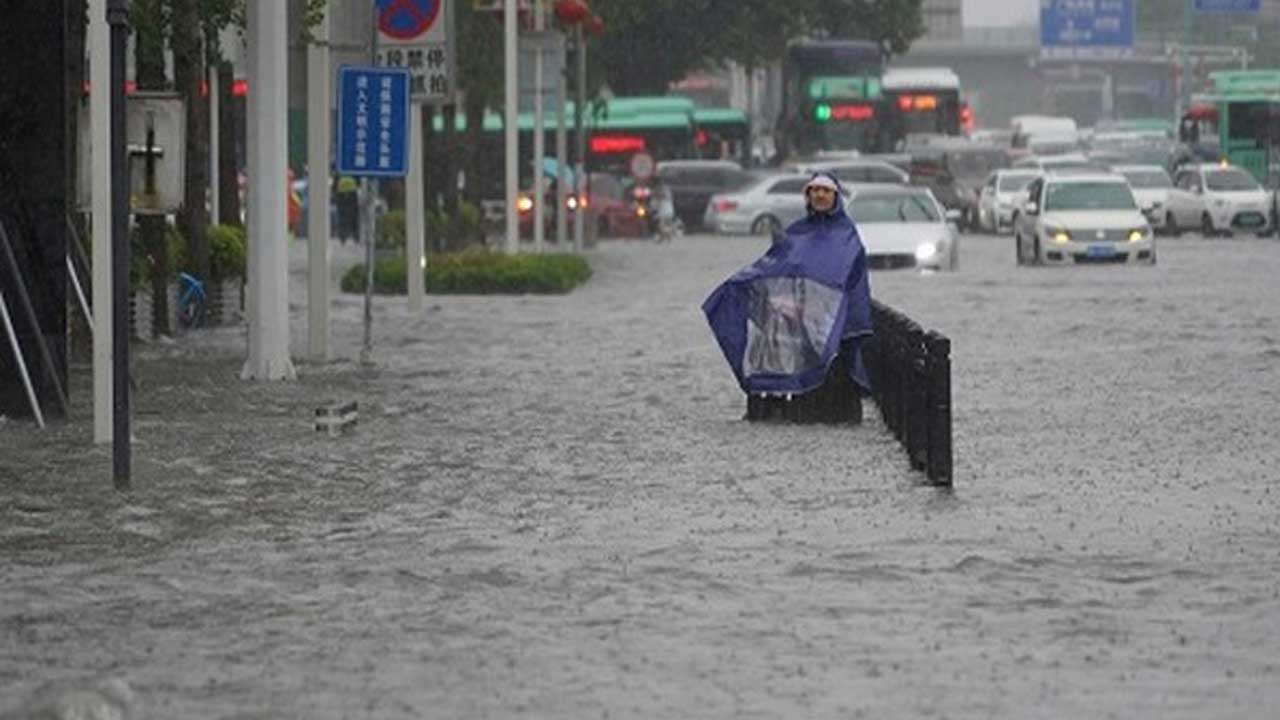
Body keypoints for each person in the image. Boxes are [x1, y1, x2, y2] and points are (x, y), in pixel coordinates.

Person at [702, 171, 873, 423]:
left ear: (835, 196)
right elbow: (774, 267)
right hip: (794, 323)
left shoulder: (847, 235)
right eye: (814, 191)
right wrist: (742, 284)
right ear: (808, 196)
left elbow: (851, 279)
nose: (820, 195)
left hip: (831, 323)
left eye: (825, 191)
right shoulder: (796, 233)